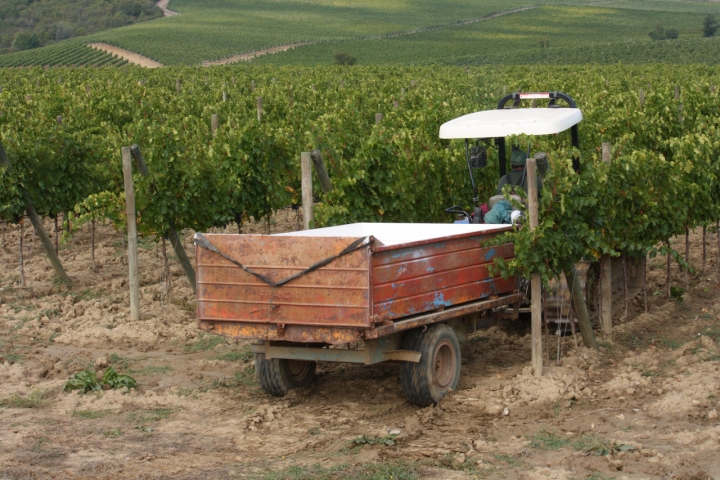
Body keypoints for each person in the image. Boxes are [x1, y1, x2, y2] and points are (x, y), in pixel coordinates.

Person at [484, 147, 542, 224]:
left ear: (511, 164)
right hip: (525, 222)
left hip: (501, 222)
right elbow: (542, 201)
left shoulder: (502, 179)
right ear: (526, 163)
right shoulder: (534, 179)